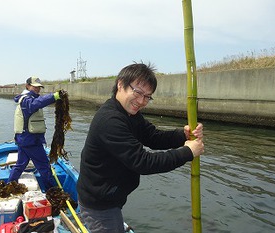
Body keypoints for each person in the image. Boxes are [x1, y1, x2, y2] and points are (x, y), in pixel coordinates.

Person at [76, 62, 204, 233]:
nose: (141, 101)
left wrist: (183, 135)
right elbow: (143, 162)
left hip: (112, 196)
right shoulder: (110, 120)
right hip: (100, 205)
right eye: (137, 92)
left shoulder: (130, 114)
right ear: (120, 84)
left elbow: (153, 137)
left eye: (147, 96)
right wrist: (188, 152)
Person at [8, 76, 61, 191]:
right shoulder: (26, 100)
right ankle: (52, 191)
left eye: (39, 87)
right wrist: (53, 96)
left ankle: (9, 185)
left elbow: (38, 102)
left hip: (24, 139)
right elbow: (36, 104)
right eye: (35, 87)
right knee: (44, 166)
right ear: (27, 86)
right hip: (30, 140)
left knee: (20, 164)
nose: (37, 89)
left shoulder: (30, 98)